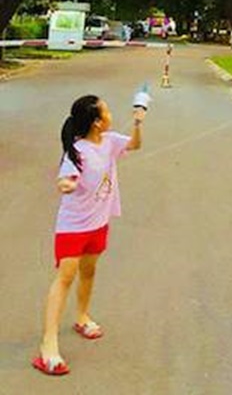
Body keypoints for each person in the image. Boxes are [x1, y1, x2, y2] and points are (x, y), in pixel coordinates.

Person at [32, 95, 147, 375]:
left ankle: (82, 317)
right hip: (73, 226)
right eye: (106, 111)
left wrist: (137, 123)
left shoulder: (110, 141)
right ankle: (48, 346)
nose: (110, 114)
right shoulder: (77, 151)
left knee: (89, 271)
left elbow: (134, 145)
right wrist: (65, 184)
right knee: (65, 278)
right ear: (96, 122)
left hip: (98, 223)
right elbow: (64, 178)